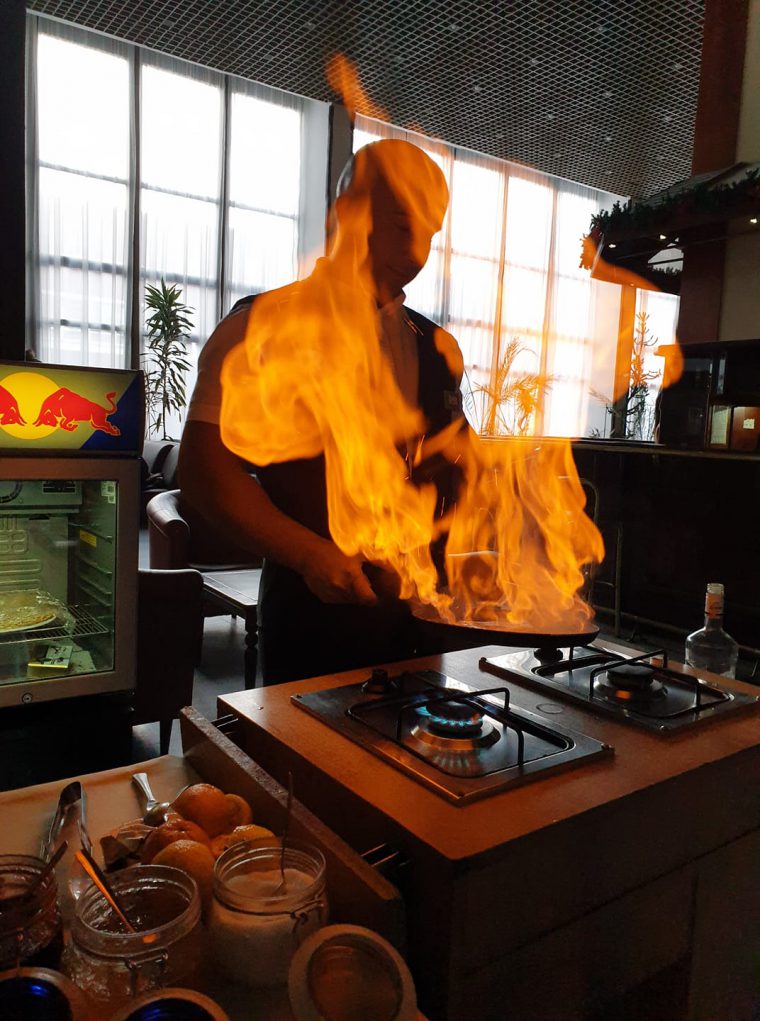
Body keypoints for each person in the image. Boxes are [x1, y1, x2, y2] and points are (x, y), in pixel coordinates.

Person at [179, 139, 467, 683]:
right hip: (314, 627)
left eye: (431, 230)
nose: (418, 249)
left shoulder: (436, 345)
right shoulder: (262, 327)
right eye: (403, 222)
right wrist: (311, 556)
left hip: (423, 626)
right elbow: (204, 470)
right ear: (345, 214)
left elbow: (448, 458)